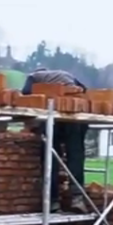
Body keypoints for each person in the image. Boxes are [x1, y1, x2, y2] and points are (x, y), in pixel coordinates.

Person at [23, 68, 89, 213]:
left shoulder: (34, 76)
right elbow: (84, 90)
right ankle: (77, 198)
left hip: (54, 117)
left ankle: (52, 202)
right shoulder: (68, 74)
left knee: (49, 158)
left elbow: (25, 96)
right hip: (74, 115)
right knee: (76, 155)